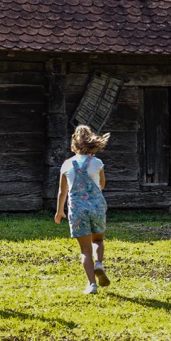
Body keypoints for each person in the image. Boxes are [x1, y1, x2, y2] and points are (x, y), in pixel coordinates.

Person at [54, 124, 111, 294]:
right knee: (98, 241)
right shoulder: (97, 163)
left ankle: (91, 285)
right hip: (97, 208)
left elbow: (62, 191)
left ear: (74, 144)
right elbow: (101, 185)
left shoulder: (66, 165)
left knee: (85, 250)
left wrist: (59, 211)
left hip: (77, 209)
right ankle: (99, 264)